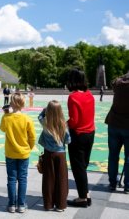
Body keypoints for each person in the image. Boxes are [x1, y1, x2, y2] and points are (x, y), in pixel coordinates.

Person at [0, 93, 36, 213]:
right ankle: (21, 204)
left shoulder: (6, 118)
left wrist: (6, 114)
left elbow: (2, 129)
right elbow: (32, 137)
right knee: (22, 179)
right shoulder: (27, 119)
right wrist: (29, 148)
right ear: (23, 103)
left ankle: (11, 204)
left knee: (11, 179)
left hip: (10, 153)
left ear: (11, 103)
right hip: (23, 153)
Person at [66, 68, 95, 208]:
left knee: (78, 168)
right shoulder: (90, 95)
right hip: (90, 133)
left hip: (78, 135)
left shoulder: (73, 97)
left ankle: (82, 198)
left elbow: (74, 120)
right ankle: (86, 194)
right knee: (83, 165)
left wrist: (64, 124)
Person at [38, 100, 71, 212]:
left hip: (48, 153)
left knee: (48, 179)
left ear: (48, 111)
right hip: (60, 154)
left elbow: (39, 116)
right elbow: (68, 141)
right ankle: (61, 205)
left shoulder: (45, 122)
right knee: (61, 179)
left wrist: (44, 111)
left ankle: (48, 204)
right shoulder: (63, 124)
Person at [105, 72, 129, 194]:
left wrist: (125, 76)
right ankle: (127, 185)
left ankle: (112, 183)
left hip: (114, 123)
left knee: (113, 156)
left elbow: (113, 82)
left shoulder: (118, 84)